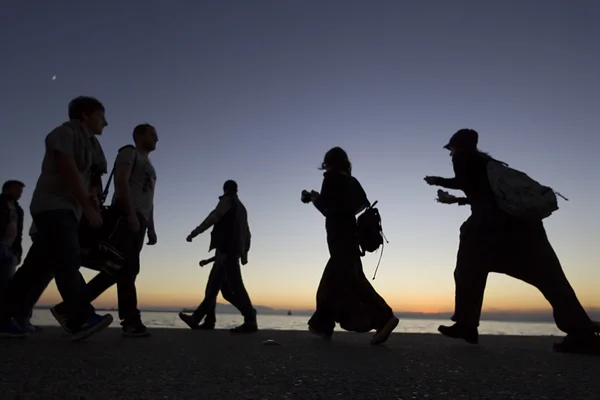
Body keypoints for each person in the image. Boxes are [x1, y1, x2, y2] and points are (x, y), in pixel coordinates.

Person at [424, 128, 600, 355]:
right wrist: (458, 201)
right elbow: (486, 193)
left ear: (458, 146)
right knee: (551, 280)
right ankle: (582, 332)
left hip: (489, 230)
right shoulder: (488, 163)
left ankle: (467, 325)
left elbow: (466, 183)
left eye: (451, 149)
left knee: (468, 271)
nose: (450, 154)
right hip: (526, 228)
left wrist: (437, 181)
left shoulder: (464, 158)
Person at [0, 96, 113, 340]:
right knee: (68, 257)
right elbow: (67, 168)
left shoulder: (92, 145)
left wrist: (92, 198)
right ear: (85, 114)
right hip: (52, 206)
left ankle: (3, 317)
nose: (106, 122)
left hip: (70, 210)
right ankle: (79, 316)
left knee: (34, 269)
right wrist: (87, 205)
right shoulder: (63, 133)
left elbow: (89, 176)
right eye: (101, 116)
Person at [51, 124, 159, 337]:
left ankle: (69, 307)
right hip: (126, 216)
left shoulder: (151, 166)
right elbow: (121, 182)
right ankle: (130, 321)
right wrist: (129, 215)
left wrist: (151, 228)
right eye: (152, 134)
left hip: (140, 221)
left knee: (117, 270)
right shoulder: (129, 153)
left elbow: (149, 199)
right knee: (127, 269)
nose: (157, 139)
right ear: (139, 135)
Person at [303, 147, 399, 345]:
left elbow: (329, 208)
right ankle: (323, 326)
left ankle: (385, 317)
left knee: (351, 282)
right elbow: (358, 205)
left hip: (339, 239)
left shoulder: (331, 178)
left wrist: (314, 198)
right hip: (350, 235)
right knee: (335, 282)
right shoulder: (351, 181)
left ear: (328, 162)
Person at [179, 180, 257, 333]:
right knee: (218, 289)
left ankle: (250, 318)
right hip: (228, 251)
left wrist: (195, 232)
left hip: (226, 249)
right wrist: (244, 252)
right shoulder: (242, 208)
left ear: (225, 189)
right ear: (237, 189)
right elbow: (247, 233)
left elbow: (214, 216)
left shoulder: (228, 201)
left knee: (234, 285)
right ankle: (206, 319)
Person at [0, 180, 25, 295]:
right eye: (17, 190)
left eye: (21, 191)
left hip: (10, 251)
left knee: (7, 284)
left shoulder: (19, 211)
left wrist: (18, 251)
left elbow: (19, 233)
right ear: (7, 189)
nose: (19, 193)